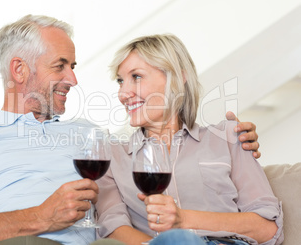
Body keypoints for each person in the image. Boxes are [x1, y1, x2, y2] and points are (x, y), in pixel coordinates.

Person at [0, 16, 260, 245]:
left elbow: (160, 148)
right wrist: (38, 217)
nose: (73, 79)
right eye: (61, 66)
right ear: (20, 70)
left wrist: (233, 140)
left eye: (73, 66)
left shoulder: (93, 136)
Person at [95, 34, 283, 245]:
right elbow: (112, 230)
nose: (123, 93)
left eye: (136, 77)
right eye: (120, 81)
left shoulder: (228, 137)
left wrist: (184, 219)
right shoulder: (112, 157)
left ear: (176, 77)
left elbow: (267, 228)